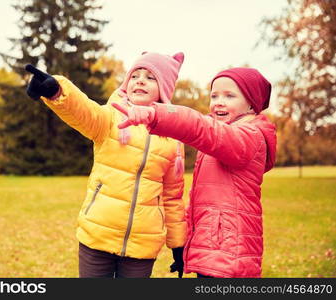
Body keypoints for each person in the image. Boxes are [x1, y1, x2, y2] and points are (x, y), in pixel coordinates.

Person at [24, 51, 187, 278]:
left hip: (143, 244)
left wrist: (178, 244)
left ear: (165, 89)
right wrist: (57, 90)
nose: (140, 80)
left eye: (151, 77)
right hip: (97, 234)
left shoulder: (172, 138)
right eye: (135, 75)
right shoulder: (109, 119)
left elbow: (172, 196)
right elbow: (83, 110)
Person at [112, 67, 277, 278]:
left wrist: (157, 113)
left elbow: (201, 128)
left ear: (252, 104)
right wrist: (185, 244)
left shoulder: (249, 137)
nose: (218, 101)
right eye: (214, 95)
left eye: (229, 96)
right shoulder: (222, 136)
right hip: (215, 246)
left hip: (229, 250)